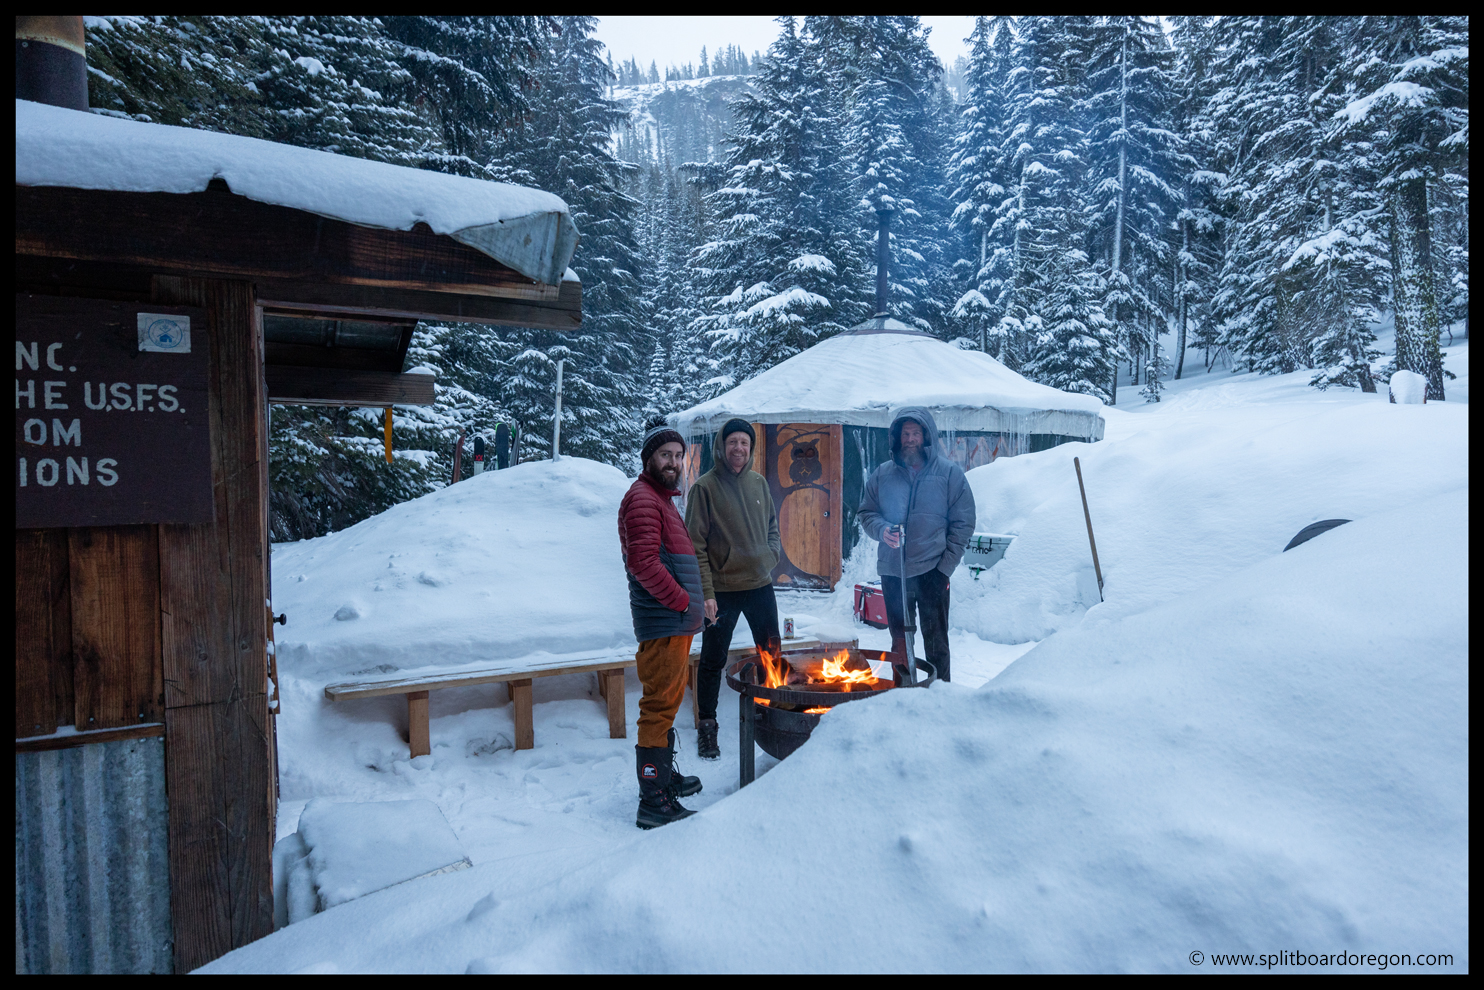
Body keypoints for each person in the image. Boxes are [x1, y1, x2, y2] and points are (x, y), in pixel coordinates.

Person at [618, 417, 705, 828]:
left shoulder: (660, 499)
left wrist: (694, 606)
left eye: (677, 455)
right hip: (664, 621)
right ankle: (653, 800)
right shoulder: (643, 499)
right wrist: (683, 601)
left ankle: (664, 777)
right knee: (657, 707)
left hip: (674, 622)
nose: (672, 462)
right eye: (665, 455)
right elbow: (643, 563)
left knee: (666, 704)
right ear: (648, 458)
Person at [685, 419, 782, 760]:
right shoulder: (705, 488)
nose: (738, 448)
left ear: (750, 448)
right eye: (732, 442)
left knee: (771, 652)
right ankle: (707, 726)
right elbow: (695, 546)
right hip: (722, 591)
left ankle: (776, 711)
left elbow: (772, 527)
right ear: (721, 446)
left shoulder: (759, 483)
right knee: (713, 660)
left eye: (744, 442)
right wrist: (707, 593)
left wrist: (770, 556)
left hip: (759, 585)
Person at [856, 408, 975, 682]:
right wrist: (882, 530)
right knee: (900, 644)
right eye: (905, 434)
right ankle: (903, 694)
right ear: (897, 438)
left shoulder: (949, 474)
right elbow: (866, 512)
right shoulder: (883, 474)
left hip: (932, 571)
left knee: (936, 644)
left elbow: (964, 523)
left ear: (926, 436)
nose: (910, 439)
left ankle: (939, 695)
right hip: (893, 572)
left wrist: (944, 569)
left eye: (916, 433)